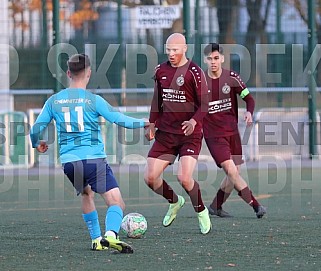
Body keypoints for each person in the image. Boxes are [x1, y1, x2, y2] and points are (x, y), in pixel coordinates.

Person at [30, 53, 149, 252]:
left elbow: (34, 130)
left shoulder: (54, 101)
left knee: (87, 194)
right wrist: (143, 123)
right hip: (93, 160)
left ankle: (96, 240)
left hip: (69, 163)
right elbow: (119, 119)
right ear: (89, 73)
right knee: (116, 203)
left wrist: (37, 143)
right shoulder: (93, 100)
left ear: (68, 73)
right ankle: (111, 235)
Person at [144, 33, 212, 234]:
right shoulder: (161, 71)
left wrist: (193, 121)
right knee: (150, 178)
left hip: (189, 134)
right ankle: (174, 201)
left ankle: (201, 211)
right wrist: (152, 124)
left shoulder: (195, 72)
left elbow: (205, 104)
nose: (171, 54)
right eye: (168, 50)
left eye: (175, 50)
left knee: (184, 177)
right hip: (166, 134)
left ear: (184, 49)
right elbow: (157, 100)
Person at [202, 43, 267, 218]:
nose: (213, 62)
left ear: (222, 59)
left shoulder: (231, 77)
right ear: (205, 60)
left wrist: (249, 112)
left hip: (232, 133)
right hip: (213, 135)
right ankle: (255, 205)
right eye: (210, 59)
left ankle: (216, 206)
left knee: (235, 173)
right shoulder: (199, 82)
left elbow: (250, 99)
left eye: (216, 58)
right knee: (231, 171)